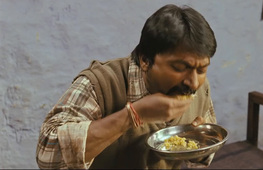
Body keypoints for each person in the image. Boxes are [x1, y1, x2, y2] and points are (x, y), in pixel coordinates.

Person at [36, 4, 217, 169]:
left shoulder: (198, 89)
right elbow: (47, 157)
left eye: (201, 70)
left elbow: (204, 152)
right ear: (145, 60)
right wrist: (133, 115)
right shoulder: (99, 85)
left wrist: (200, 144)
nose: (193, 82)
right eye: (179, 68)